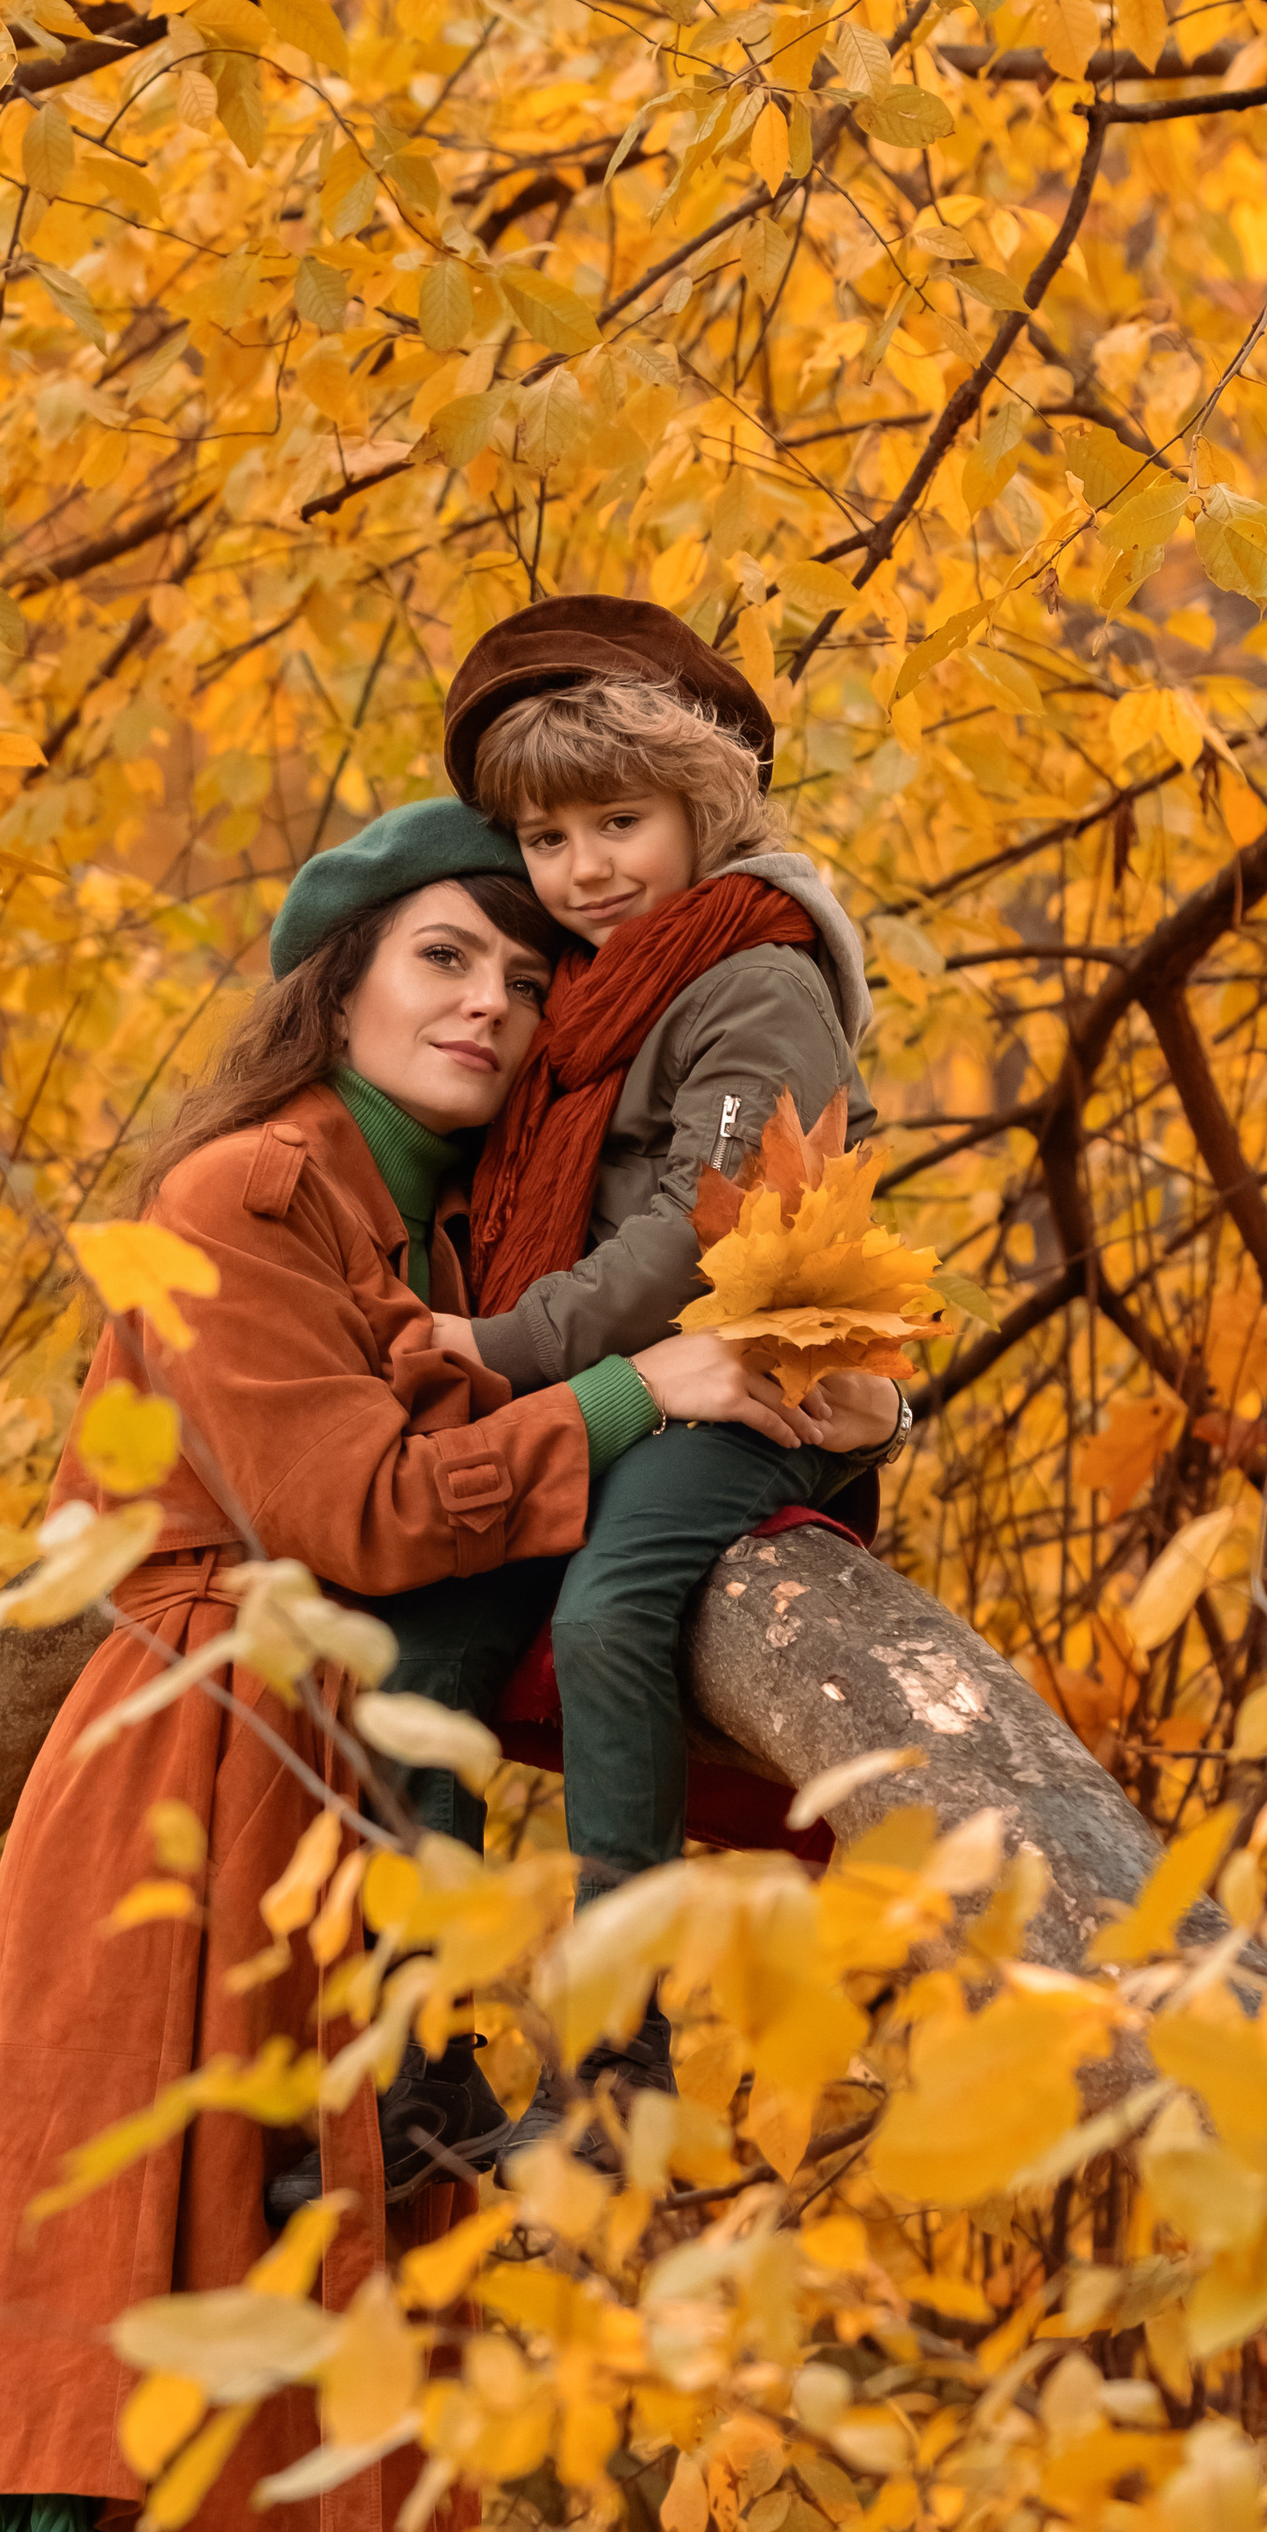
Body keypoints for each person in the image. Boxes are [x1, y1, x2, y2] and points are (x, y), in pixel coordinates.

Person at [0, 804, 813, 2532]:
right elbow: (343, 1514)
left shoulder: (389, 1238)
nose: (486, 1000)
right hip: (176, 1791)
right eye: (440, 960)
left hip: (323, 1811)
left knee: (255, 2356)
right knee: (76, 2341)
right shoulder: (241, 1196)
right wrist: (630, 1396)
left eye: (511, 971)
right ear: (335, 985)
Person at [367, 597, 904, 2161]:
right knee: (427, 1628)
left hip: (749, 1377)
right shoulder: (582, 1002)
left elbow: (703, 1219)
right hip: (623, 1381)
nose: (588, 868)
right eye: (548, 838)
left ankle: (622, 2056)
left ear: (700, 809)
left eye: (621, 822)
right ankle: (428, 2044)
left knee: (612, 1612)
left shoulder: (753, 980)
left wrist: (509, 1347)